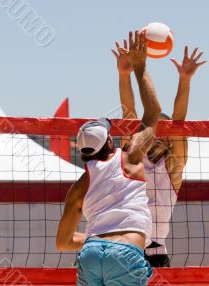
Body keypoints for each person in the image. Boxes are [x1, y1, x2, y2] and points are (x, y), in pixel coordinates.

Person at [56, 30, 161, 285]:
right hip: (126, 253)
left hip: (91, 254)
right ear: (109, 142)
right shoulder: (130, 157)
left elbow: (63, 242)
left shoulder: (79, 187)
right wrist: (140, 66)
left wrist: (97, 238)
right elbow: (153, 113)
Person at [112, 42, 206, 267]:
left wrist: (185, 80)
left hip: (155, 253)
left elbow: (179, 120)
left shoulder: (173, 166)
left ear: (168, 140)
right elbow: (129, 114)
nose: (157, 135)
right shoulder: (131, 158)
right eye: (155, 130)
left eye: (164, 132)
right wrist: (124, 74)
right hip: (127, 247)